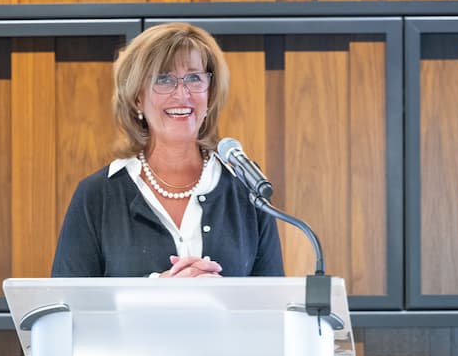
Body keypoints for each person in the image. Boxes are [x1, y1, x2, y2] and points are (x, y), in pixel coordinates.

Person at [51, 22, 284, 278]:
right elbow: (67, 310)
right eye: (164, 79)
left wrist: (223, 298)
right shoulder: (97, 194)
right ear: (137, 96)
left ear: (210, 94)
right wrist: (157, 293)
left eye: (194, 77)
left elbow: (272, 307)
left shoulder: (246, 185)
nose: (182, 93)